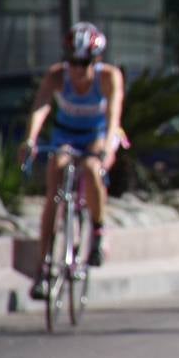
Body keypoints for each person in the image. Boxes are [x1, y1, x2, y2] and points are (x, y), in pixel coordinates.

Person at [20, 22, 126, 299]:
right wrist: (31, 139)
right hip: (66, 135)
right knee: (54, 186)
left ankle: (99, 233)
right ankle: (43, 269)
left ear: (96, 60)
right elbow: (41, 106)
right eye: (72, 62)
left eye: (84, 63)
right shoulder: (57, 77)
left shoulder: (109, 77)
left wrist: (108, 150)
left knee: (92, 169)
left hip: (98, 134)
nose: (77, 69)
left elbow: (114, 113)